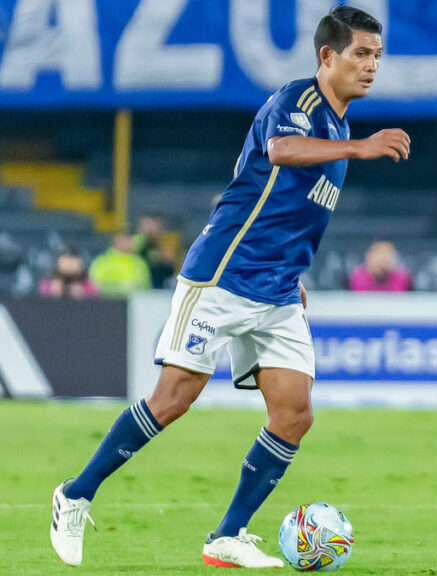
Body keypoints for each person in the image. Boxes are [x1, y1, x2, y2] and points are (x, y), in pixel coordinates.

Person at [50, 6, 410, 569]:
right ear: (327, 56)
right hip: (224, 274)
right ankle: (74, 494)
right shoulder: (298, 103)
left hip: (279, 289)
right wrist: (361, 147)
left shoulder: (337, 125)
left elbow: (292, 213)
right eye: (361, 54)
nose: (371, 66)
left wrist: (297, 274)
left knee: (294, 414)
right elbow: (282, 152)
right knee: (173, 400)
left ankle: (227, 536)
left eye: (377, 57)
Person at [89, 231, 152, 297]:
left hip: (135, 304)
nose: (131, 242)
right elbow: (94, 287)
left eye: (131, 239)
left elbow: (146, 289)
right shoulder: (101, 262)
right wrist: (122, 288)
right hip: (107, 304)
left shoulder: (140, 263)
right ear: (117, 239)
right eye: (127, 239)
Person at [134, 213, 179, 289]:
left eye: (156, 227)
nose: (151, 230)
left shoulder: (165, 244)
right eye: (148, 226)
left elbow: (171, 268)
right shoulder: (136, 244)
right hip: (140, 288)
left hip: (160, 289)